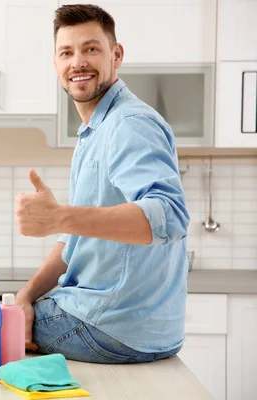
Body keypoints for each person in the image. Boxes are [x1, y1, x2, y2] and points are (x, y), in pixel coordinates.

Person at [15, 4, 190, 364]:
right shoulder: (95, 130)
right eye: (67, 52)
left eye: (91, 49)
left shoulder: (129, 124)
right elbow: (73, 240)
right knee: (11, 314)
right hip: (132, 329)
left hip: (111, 325)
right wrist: (26, 294)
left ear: (117, 54)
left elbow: (169, 216)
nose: (77, 62)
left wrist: (61, 216)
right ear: (56, 64)